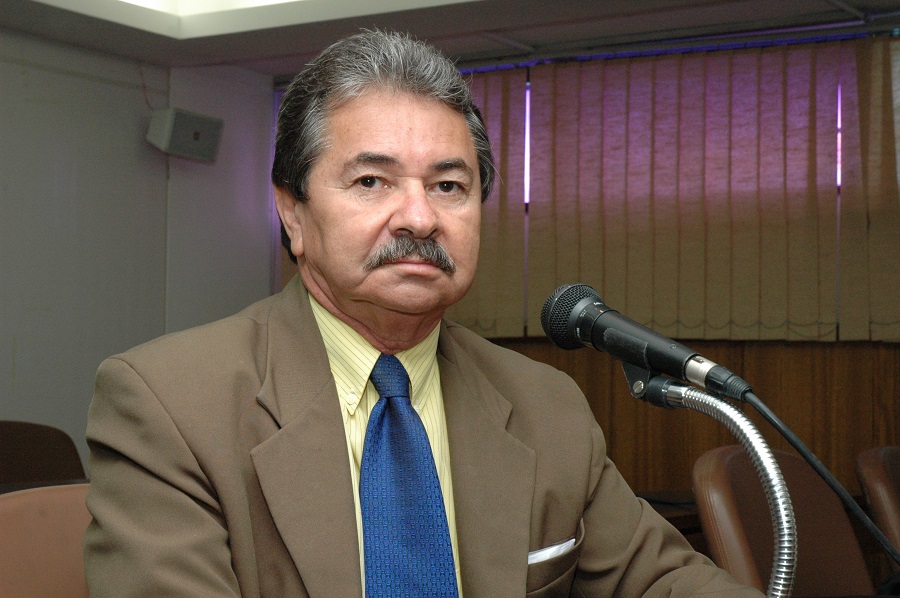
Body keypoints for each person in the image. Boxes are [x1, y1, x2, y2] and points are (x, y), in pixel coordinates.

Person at [83, 29, 763, 597]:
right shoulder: (169, 405)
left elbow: (661, 581)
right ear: (293, 215)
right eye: (371, 181)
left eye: (448, 185)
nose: (419, 216)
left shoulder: (546, 405)